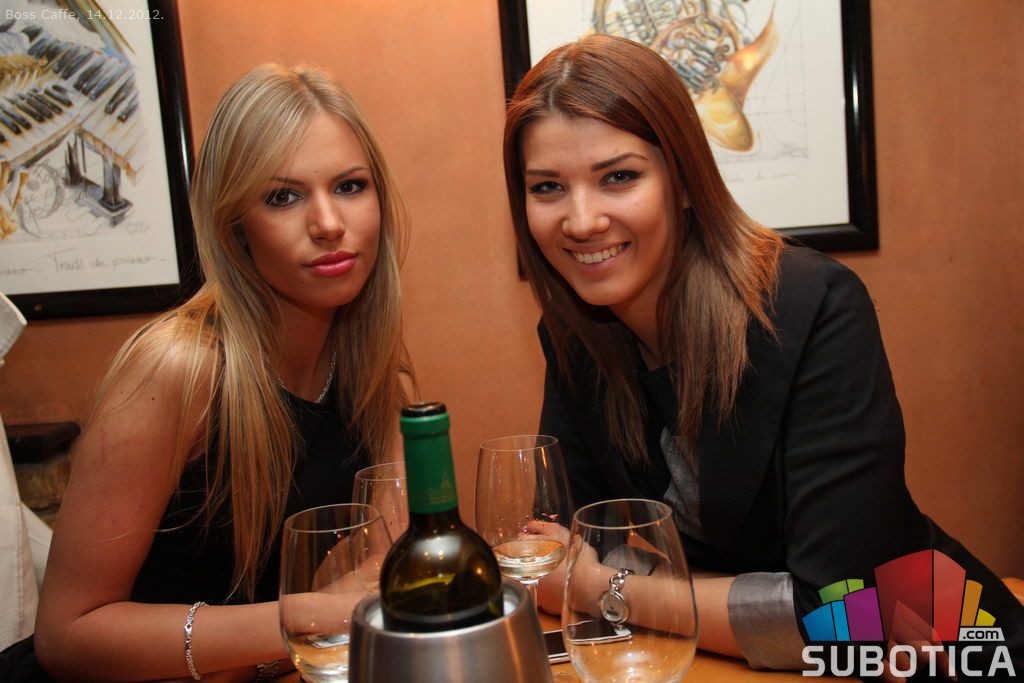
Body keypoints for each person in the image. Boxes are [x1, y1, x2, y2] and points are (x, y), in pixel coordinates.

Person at [503, 35, 1023, 676]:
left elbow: (837, 616)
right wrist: (605, 577)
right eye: (548, 187)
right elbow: (564, 546)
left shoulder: (811, 305)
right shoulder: (575, 339)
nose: (581, 220)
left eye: (619, 177)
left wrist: (603, 590)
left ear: (684, 182)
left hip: (944, 642)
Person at [4, 64, 411, 681]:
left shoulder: (374, 373)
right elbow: (70, 635)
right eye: (283, 197)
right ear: (234, 226)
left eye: (350, 186)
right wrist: (298, 620)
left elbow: (384, 570)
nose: (329, 223)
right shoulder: (178, 368)